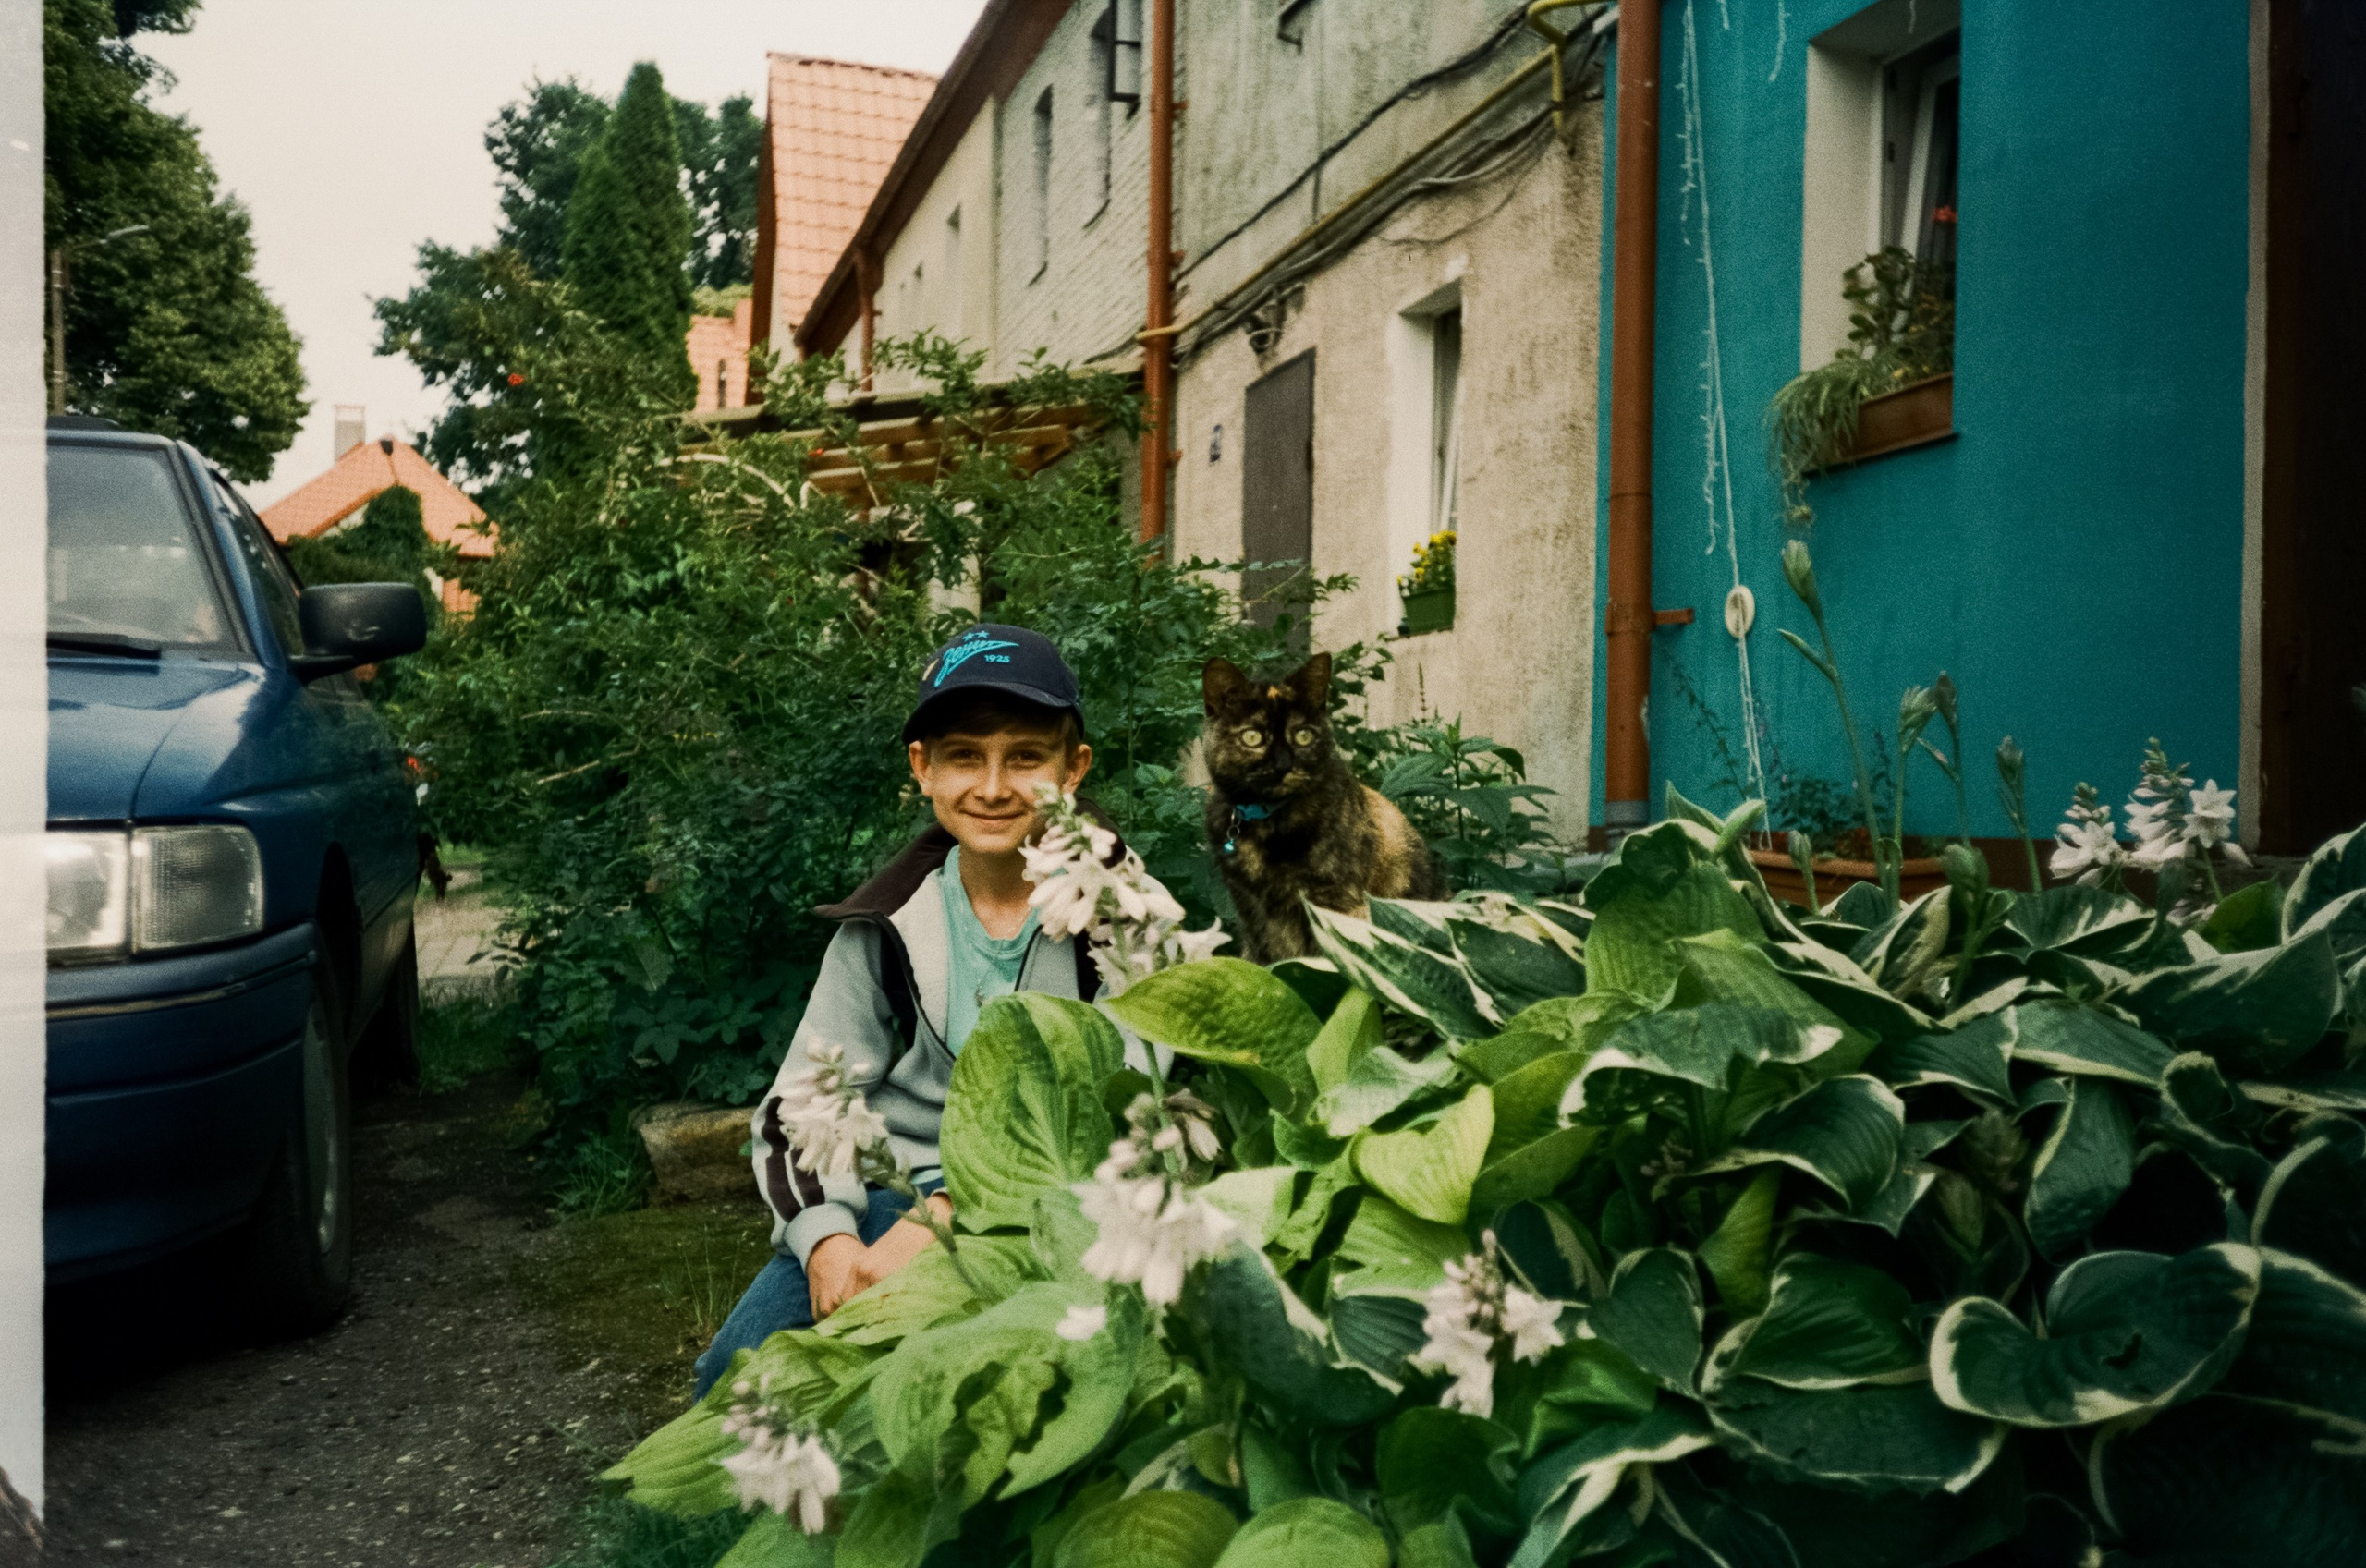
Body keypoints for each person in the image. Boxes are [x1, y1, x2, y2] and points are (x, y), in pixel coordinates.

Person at [693, 624, 1120, 1399]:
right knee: (736, 1381)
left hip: (1060, 1209)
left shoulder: (1121, 917)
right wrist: (828, 1242)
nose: (992, 786)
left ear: (1073, 766)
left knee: (999, 1397)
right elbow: (804, 1108)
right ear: (922, 768)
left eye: (1025, 756)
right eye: (964, 755)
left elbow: (1136, 1110)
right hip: (893, 1197)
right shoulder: (886, 926)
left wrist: (950, 1222)